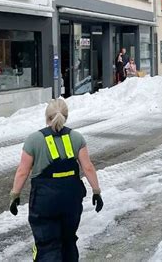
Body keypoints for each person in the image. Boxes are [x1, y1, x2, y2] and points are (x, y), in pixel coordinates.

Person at [9, 99, 103, 261]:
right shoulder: (77, 138)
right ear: (66, 116)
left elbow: (22, 172)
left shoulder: (34, 140)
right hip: (71, 200)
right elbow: (87, 167)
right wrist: (96, 192)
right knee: (68, 241)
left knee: (47, 245)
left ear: (47, 117)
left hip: (44, 201)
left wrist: (15, 195)